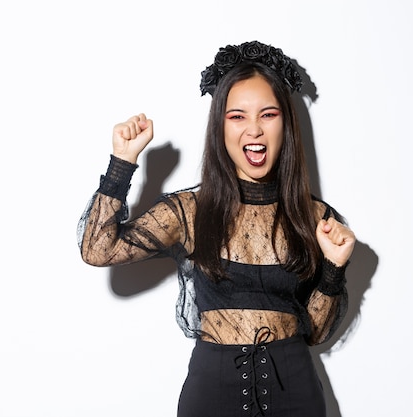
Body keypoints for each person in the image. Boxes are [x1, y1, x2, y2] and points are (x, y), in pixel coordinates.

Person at [77, 40, 356, 417]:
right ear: (219, 127)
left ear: (285, 124)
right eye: (237, 116)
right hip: (212, 396)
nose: (253, 130)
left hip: (296, 396)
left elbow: (317, 333)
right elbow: (98, 249)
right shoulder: (191, 211)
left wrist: (334, 269)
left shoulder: (315, 217)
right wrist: (122, 163)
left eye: (268, 115)